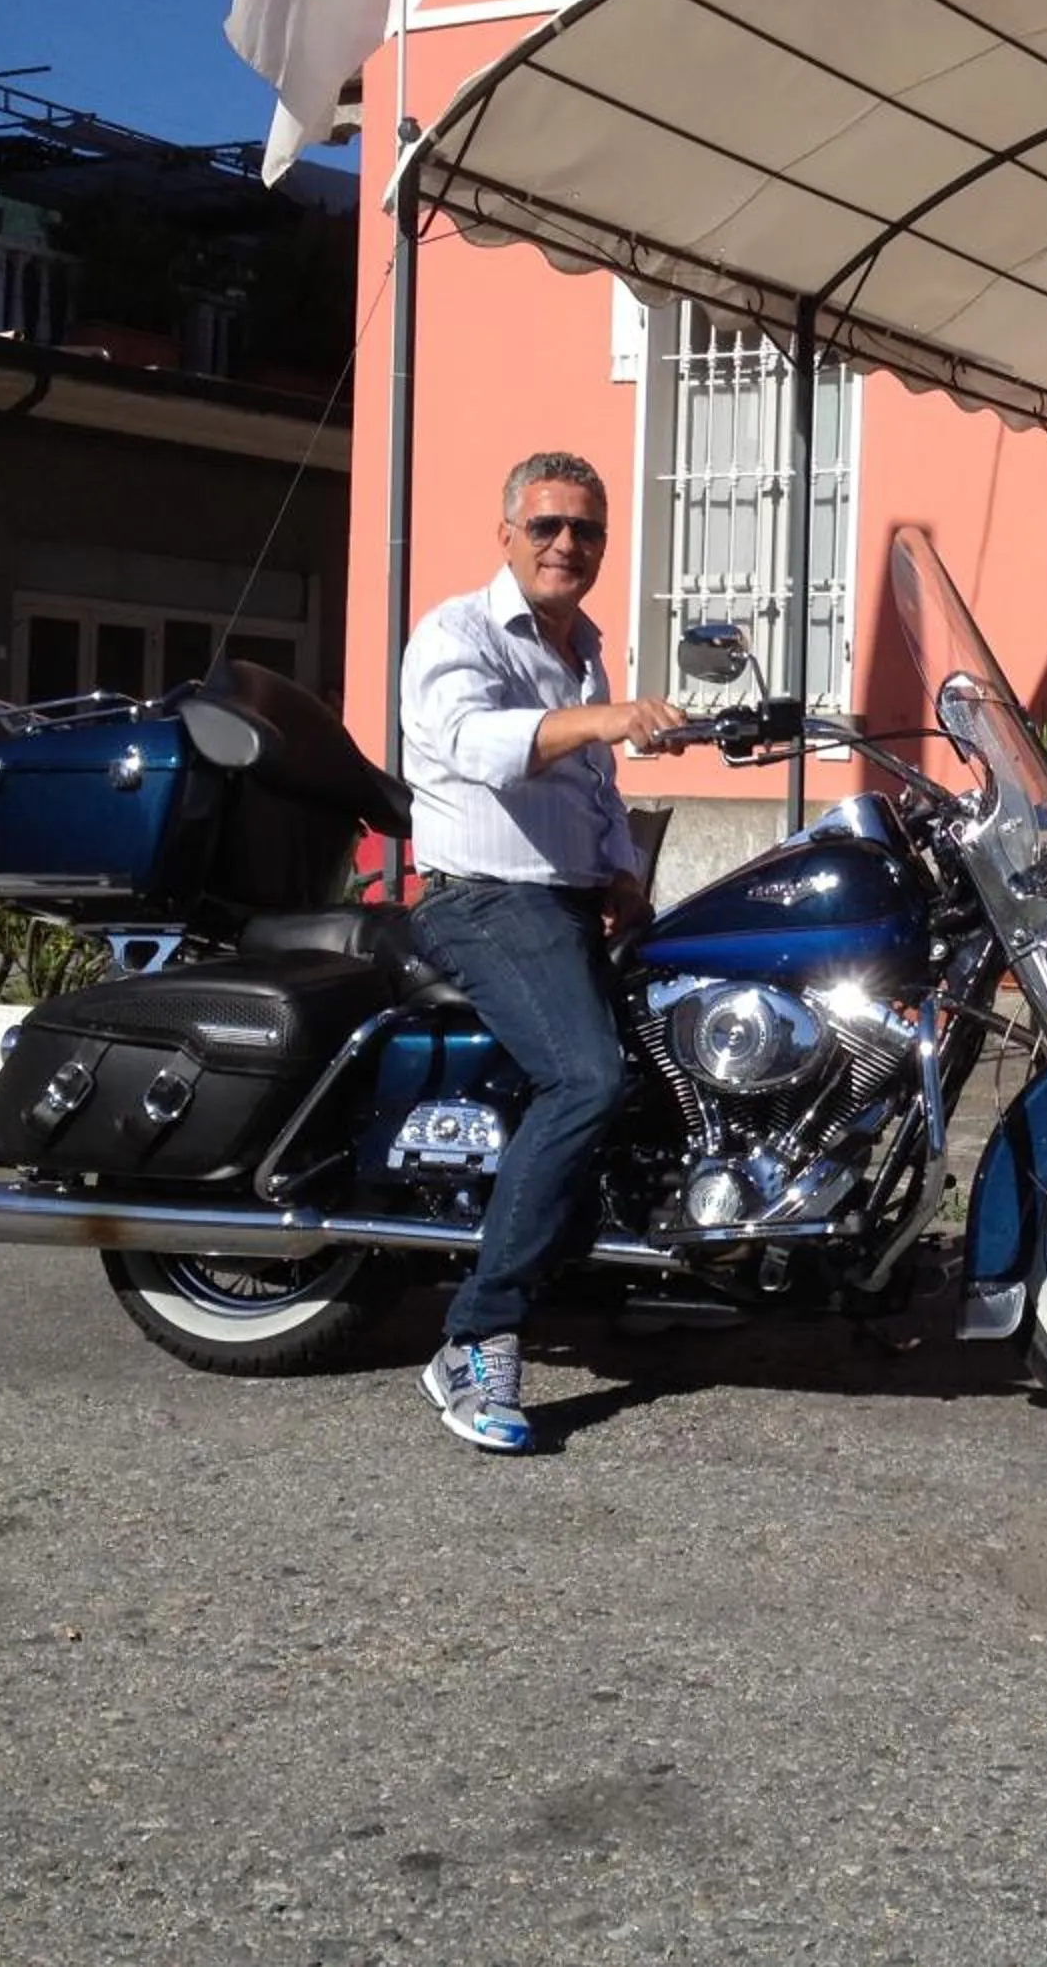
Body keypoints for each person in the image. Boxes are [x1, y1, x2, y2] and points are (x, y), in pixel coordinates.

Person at [401, 451, 681, 1454]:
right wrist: (603, 716)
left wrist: (619, 872)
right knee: (586, 1078)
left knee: (671, 1057)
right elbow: (469, 743)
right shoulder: (459, 632)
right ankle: (475, 1337)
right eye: (549, 526)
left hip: (560, 903)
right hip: (482, 900)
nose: (569, 544)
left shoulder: (581, 647)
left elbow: (592, 792)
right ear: (508, 533)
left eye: (589, 531)